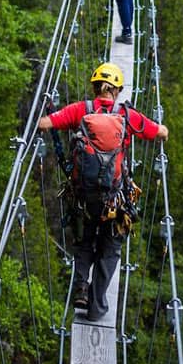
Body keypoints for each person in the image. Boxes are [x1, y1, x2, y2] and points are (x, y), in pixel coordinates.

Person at [39, 61, 167, 321]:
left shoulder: (81, 110)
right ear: (116, 90)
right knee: (110, 250)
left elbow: (45, 124)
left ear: (95, 87)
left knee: (84, 240)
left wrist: (45, 110)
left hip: (84, 197)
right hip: (114, 200)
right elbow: (159, 132)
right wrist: (163, 130)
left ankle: (81, 287)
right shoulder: (128, 116)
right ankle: (97, 308)